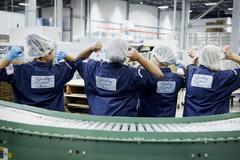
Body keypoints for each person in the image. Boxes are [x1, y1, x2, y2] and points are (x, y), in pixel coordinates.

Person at [0, 33, 101, 111]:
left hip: (25, 119)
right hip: (53, 121)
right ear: (46, 54)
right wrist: (66, 56)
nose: (54, 53)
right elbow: (76, 61)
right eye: (53, 51)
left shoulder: (18, 70)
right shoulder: (60, 71)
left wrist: (8, 57)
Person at [74, 38, 163, 116]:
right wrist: (139, 58)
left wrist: (91, 48)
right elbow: (158, 75)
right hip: (123, 126)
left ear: (106, 51)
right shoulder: (133, 74)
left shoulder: (92, 68)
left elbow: (76, 60)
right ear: (126, 53)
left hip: (98, 123)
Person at [183, 45, 240, 117]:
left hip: (190, 125)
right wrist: (232, 57)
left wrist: (198, 57)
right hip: (214, 125)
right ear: (218, 59)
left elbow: (194, 65)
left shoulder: (191, 72)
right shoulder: (225, 77)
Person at [138, 45, 185, 117]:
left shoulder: (145, 76)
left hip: (145, 123)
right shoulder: (177, 79)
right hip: (166, 124)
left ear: (157, 58)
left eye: (153, 56)